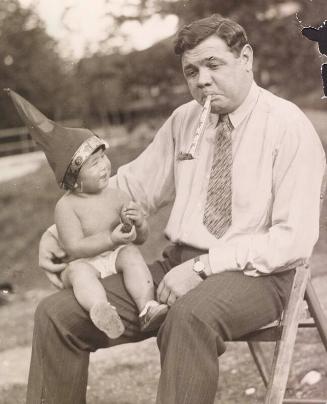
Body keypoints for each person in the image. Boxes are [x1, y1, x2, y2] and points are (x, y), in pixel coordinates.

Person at [26, 13, 325, 404]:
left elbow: (292, 241)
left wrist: (203, 267)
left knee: (189, 315)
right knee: (55, 315)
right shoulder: (185, 120)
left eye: (213, 64)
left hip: (259, 273)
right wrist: (55, 233)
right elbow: (132, 188)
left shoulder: (288, 126)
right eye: (191, 71)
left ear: (246, 58)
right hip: (177, 265)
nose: (201, 80)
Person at [6, 89, 168, 337]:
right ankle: (102, 310)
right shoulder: (67, 206)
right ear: (73, 180)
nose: (104, 166)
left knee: (131, 254)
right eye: (94, 164)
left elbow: (140, 238)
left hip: (113, 255)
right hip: (84, 263)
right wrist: (110, 239)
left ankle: (147, 306)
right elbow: (74, 248)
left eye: (103, 157)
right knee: (79, 272)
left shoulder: (117, 194)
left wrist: (139, 224)